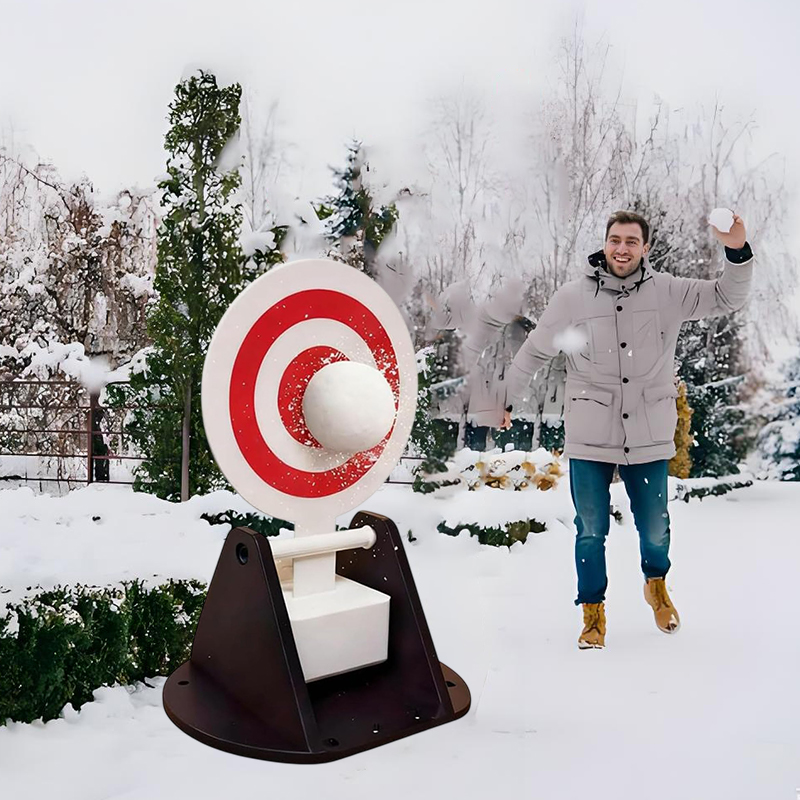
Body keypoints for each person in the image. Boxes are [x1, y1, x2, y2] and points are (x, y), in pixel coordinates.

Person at [498, 210, 754, 648]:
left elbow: (726, 296)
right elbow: (537, 348)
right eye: (615, 240)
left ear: (645, 248)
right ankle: (592, 614)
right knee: (590, 529)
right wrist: (505, 396)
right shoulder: (573, 297)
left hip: (648, 431)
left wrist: (737, 250)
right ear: (605, 243)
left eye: (631, 241)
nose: (622, 248)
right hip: (590, 431)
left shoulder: (669, 291)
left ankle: (656, 585)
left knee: (655, 527)